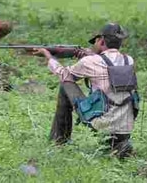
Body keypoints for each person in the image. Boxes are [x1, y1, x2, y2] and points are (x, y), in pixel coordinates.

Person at [33, 23, 140, 158]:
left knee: (65, 85)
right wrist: (89, 55)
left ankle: (59, 141)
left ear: (101, 41)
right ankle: (118, 144)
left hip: (102, 124)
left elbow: (65, 75)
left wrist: (48, 56)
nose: (92, 45)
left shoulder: (90, 61)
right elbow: (107, 65)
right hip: (126, 126)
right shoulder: (129, 60)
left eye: (94, 41)